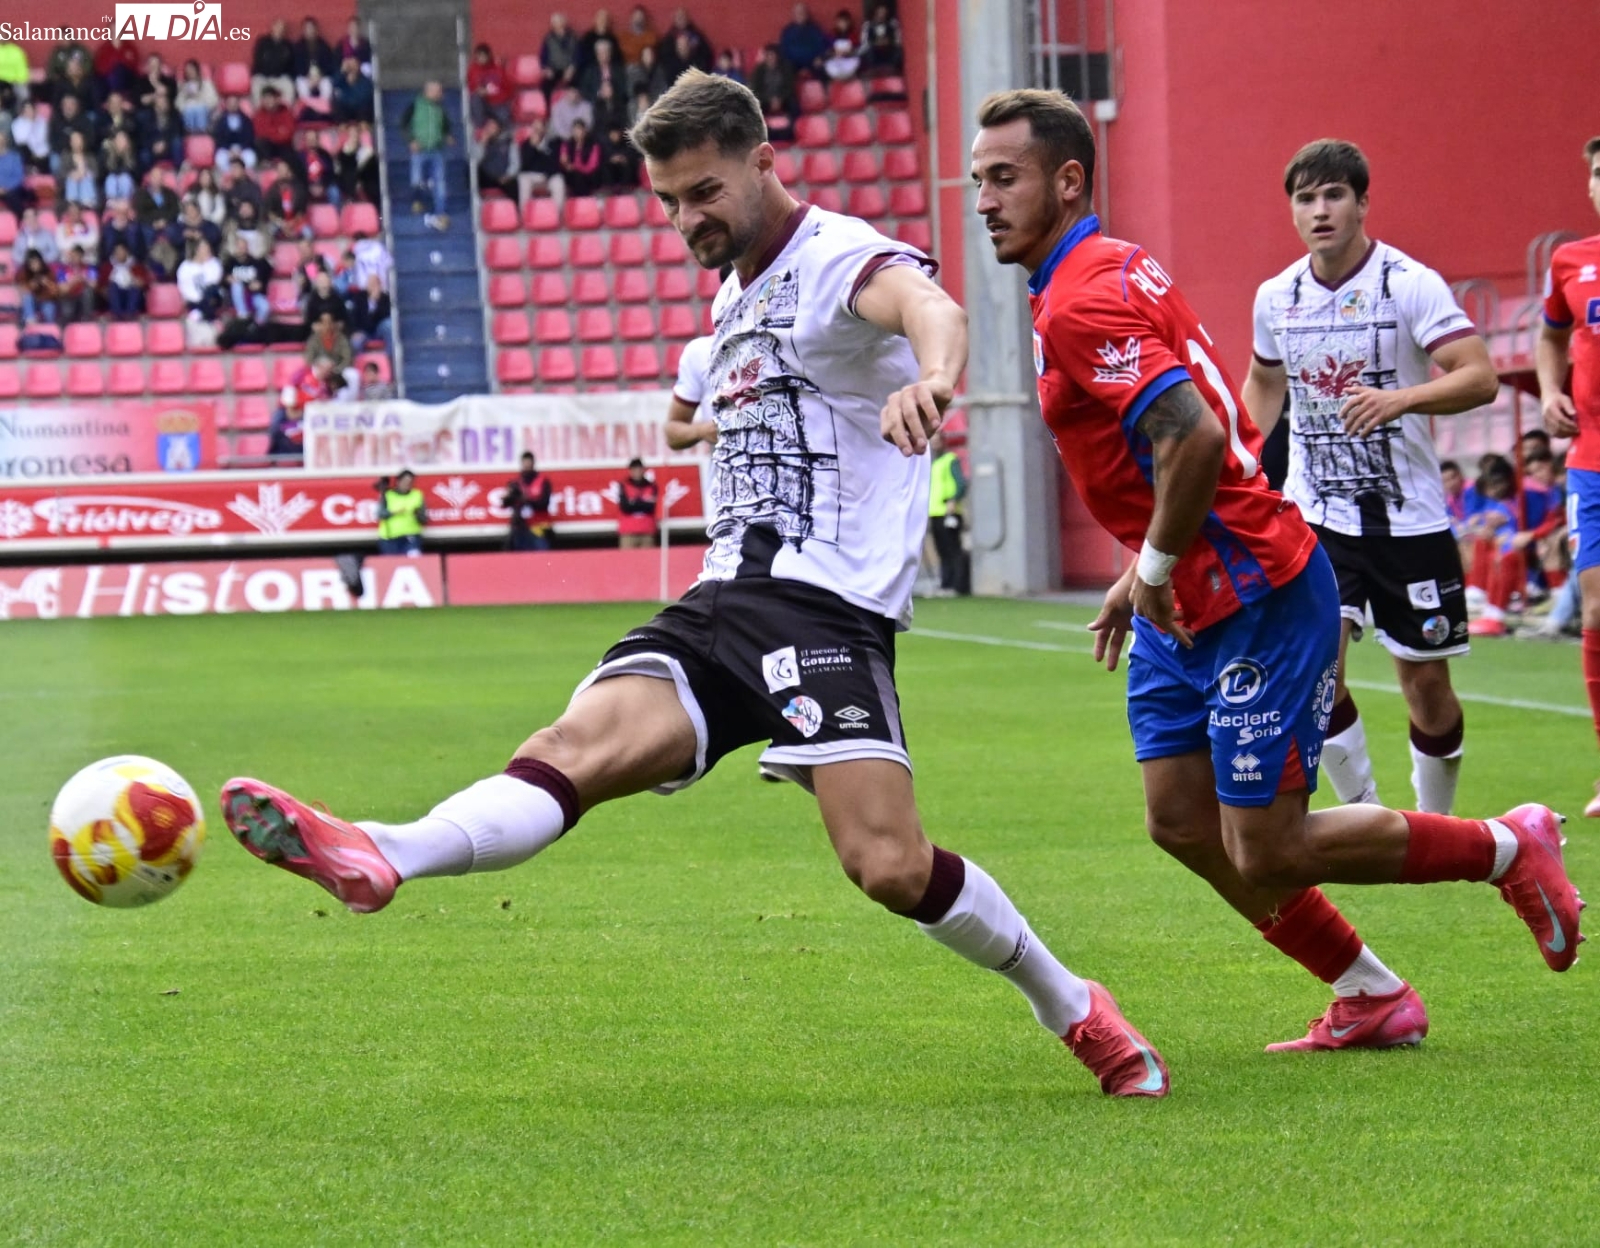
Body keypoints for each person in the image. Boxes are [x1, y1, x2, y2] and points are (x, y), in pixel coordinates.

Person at [219, 70, 1169, 1100]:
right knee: (562, 751)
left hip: (820, 611)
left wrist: (932, 380)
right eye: (668, 201)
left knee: (889, 865)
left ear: (764, 161)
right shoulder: (729, 303)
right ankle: (382, 852)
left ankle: (1072, 1005)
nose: (684, 220)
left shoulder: (836, 255)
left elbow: (926, 306)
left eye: (704, 193)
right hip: (718, 601)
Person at [970, 87, 1582, 1057]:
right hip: (1187, 598)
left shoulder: (1083, 297)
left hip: (1250, 590)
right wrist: (1148, 567)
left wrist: (1158, 560)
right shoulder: (1107, 269)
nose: (983, 200)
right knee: (1179, 821)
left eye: (1003, 177)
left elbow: (1198, 436)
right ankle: (1370, 993)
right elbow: (1207, 421)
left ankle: (1506, 844)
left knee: (1271, 842)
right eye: (977, 181)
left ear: (1068, 178)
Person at [1242, 140, 1499, 817]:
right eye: (1306, 198)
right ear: (1292, 210)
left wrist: (1401, 399)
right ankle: (1368, 814)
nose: (1320, 210)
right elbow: (1266, 381)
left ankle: (1435, 824)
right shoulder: (1277, 295)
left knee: (1426, 688)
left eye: (1333, 196)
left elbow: (1480, 376)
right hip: (1315, 515)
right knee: (1311, 673)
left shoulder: (1409, 284)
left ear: (1361, 204)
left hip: (1406, 516)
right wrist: (1238, 457)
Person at [1538, 135, 1600, 813]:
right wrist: (1552, 390)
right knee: (1598, 609)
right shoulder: (1571, 262)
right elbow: (1551, 334)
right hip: (1593, 459)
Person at [401, 80, 453, 230]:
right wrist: (410, 140)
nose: (440, 94)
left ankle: (440, 212)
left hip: (437, 150)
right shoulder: (414, 105)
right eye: (438, 91)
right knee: (416, 180)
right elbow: (403, 124)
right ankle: (417, 200)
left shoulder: (441, 108)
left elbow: (446, 125)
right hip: (420, 150)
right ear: (428, 91)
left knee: (440, 183)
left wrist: (447, 135)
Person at [927, 429, 970, 595]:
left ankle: (957, 585)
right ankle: (945, 584)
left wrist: (953, 500)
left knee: (953, 549)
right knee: (942, 550)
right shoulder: (934, 463)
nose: (934, 443)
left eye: (937, 440)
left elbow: (960, 483)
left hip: (948, 512)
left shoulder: (950, 460)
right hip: (935, 511)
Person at [504, 451, 554, 551]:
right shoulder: (516, 483)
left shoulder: (543, 481)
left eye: (528, 463)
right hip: (521, 528)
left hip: (539, 528)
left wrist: (527, 500)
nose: (526, 465)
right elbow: (507, 504)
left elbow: (545, 503)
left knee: (541, 557)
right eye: (524, 463)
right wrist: (509, 497)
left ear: (533, 463)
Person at [377, 470, 426, 555]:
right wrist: (394, 512)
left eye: (410, 482)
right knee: (392, 564)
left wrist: (417, 514)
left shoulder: (417, 495)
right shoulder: (388, 495)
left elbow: (424, 519)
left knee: (413, 560)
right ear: (398, 482)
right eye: (405, 482)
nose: (407, 485)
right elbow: (380, 514)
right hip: (390, 538)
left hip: (411, 536)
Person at [616, 457, 659, 547]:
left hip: (647, 531)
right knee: (628, 560)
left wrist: (634, 503)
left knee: (648, 560)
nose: (637, 472)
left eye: (639, 469)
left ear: (644, 470)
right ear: (630, 471)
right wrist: (643, 503)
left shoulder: (652, 486)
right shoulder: (624, 486)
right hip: (628, 532)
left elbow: (652, 507)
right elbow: (625, 507)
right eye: (634, 469)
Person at [779, 4, 830, 77]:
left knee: (823, 67)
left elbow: (822, 46)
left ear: (806, 14)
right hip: (793, 65)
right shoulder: (788, 31)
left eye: (802, 12)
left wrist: (820, 57)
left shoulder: (815, 29)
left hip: (812, 63)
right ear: (794, 15)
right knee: (785, 69)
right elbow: (784, 49)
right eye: (798, 13)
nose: (800, 15)